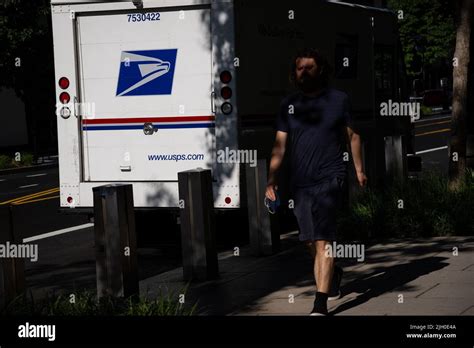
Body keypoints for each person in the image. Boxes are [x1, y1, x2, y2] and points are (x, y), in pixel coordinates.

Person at [265, 48, 367, 315]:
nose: (304, 72)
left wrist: (358, 169)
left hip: (331, 177)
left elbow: (353, 136)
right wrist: (271, 180)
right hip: (301, 183)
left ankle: (319, 304)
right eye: (300, 68)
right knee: (309, 241)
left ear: (321, 70)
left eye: (309, 68)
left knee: (323, 240)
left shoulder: (339, 99)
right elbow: (279, 145)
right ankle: (332, 276)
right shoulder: (288, 105)